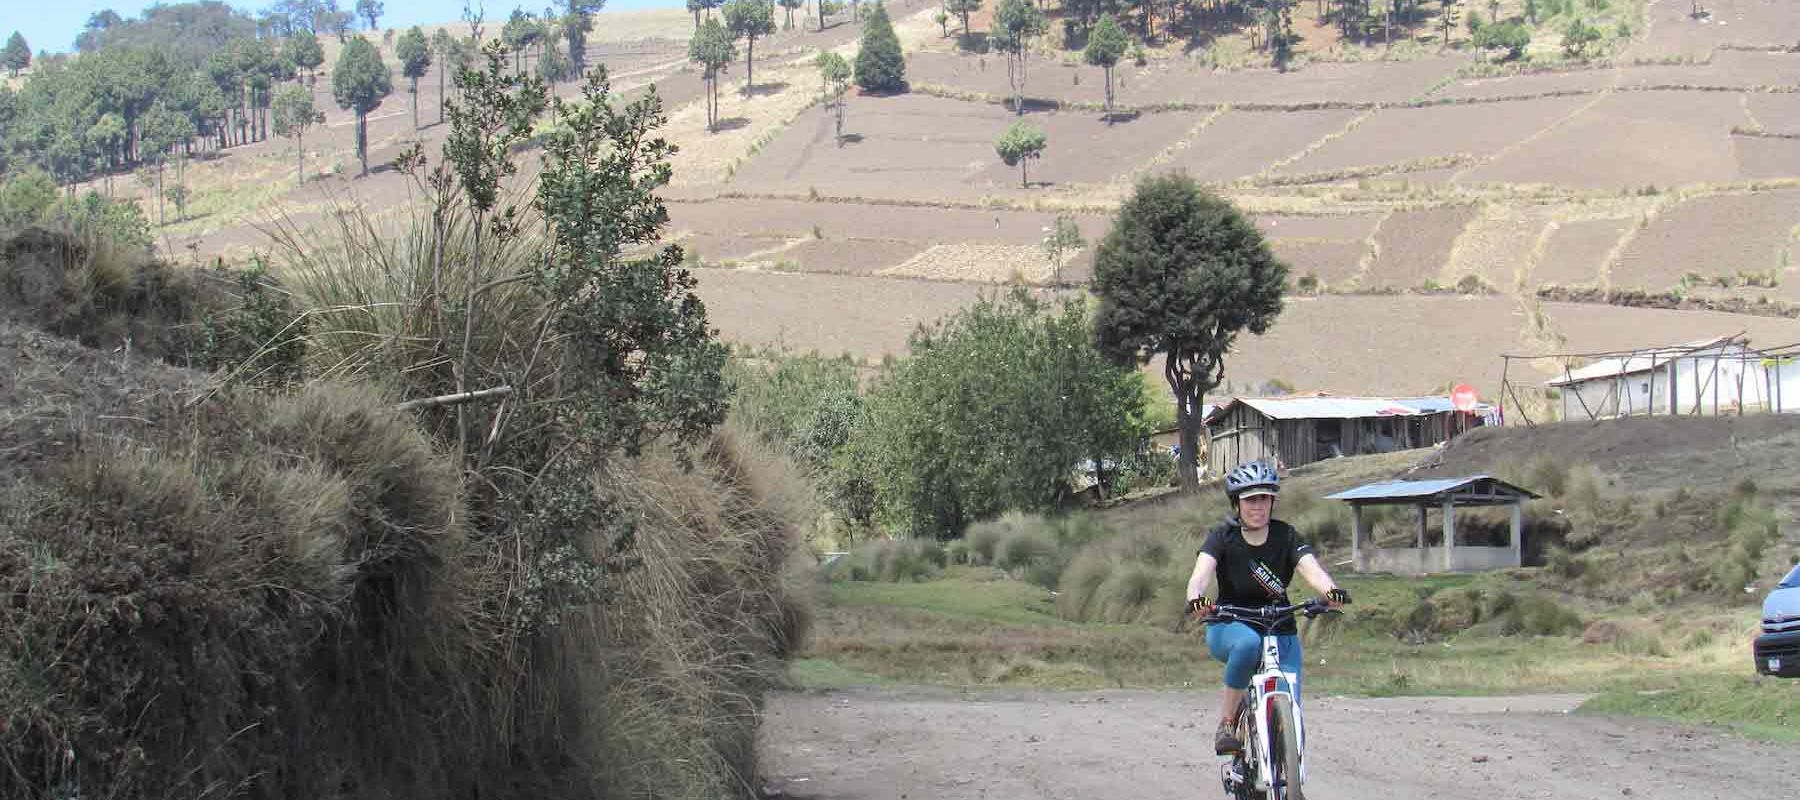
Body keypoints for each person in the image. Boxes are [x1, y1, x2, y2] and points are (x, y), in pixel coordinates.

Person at [1184, 460, 1350, 755]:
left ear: (1272, 501)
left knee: (1291, 709)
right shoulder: (1222, 536)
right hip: (1230, 622)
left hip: (1279, 624)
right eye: (1250, 499)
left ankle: (1288, 773)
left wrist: (1331, 591)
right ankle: (1226, 723)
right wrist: (1196, 599)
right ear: (1237, 503)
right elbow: (1199, 576)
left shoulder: (1286, 536)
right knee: (1248, 645)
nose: (1258, 506)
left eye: (1263, 498)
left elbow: (1312, 570)